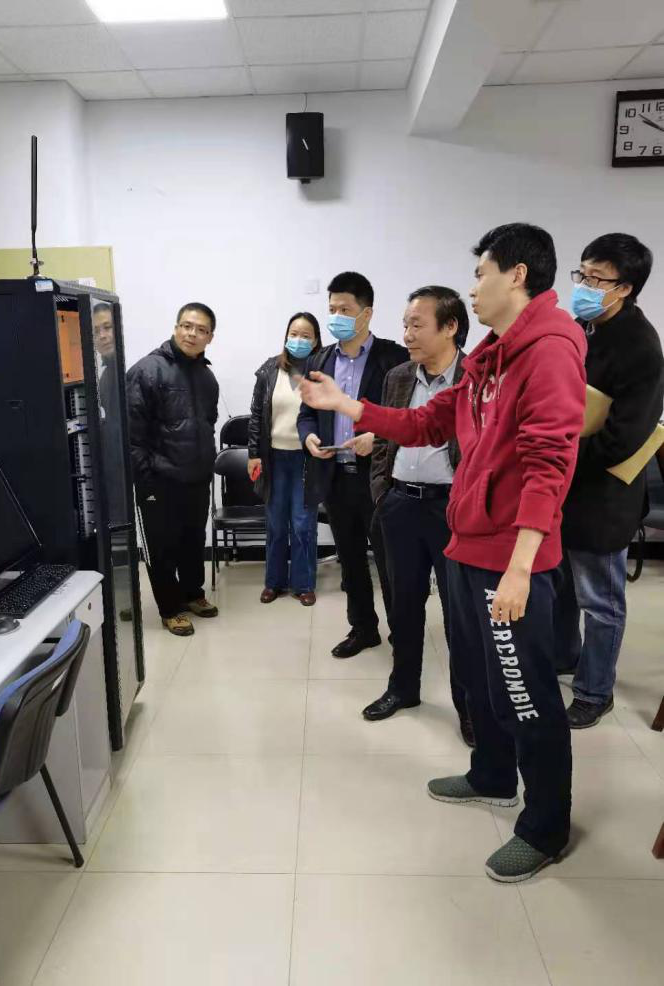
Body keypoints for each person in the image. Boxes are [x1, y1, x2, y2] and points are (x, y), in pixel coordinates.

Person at [300, 224, 586, 884]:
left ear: (516, 274)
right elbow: (427, 422)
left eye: (481, 273)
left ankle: (545, 826)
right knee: (483, 675)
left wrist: (521, 565)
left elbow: (550, 462)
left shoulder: (549, 350)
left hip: (511, 556)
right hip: (470, 544)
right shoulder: (493, 356)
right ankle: (492, 774)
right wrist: (348, 404)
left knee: (525, 691)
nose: (473, 287)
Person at [556, 234, 664, 728]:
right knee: (561, 587)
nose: (584, 285)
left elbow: (624, 438)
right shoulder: (582, 327)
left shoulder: (641, 347)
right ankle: (565, 658)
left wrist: (559, 452)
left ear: (625, 288)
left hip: (603, 496)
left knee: (600, 601)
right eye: (582, 274)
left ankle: (595, 692)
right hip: (564, 486)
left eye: (596, 279)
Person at [367, 286, 472, 746]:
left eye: (417, 325)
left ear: (450, 327)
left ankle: (469, 707)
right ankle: (403, 688)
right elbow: (383, 437)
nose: (407, 334)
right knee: (403, 606)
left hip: (452, 511)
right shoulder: (398, 376)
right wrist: (381, 492)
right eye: (405, 324)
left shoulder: (475, 377)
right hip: (400, 506)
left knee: (458, 615)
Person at [297, 271, 408, 658]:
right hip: (335, 477)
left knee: (391, 562)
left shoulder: (393, 358)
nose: (336, 316)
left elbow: (410, 417)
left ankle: (402, 633)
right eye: (331, 309)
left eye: (345, 309)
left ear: (366, 313)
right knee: (350, 560)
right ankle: (363, 629)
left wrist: (377, 437)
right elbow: (306, 414)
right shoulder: (319, 359)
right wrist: (308, 437)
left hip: (379, 480)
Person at [126, 302, 220, 637]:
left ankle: (192, 594)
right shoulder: (147, 371)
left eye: (201, 329)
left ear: (210, 337)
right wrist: (146, 477)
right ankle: (170, 608)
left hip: (196, 477)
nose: (192, 334)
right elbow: (131, 434)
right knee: (162, 547)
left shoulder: (206, 376)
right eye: (187, 326)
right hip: (159, 480)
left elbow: (207, 423)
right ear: (176, 328)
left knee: (193, 540)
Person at [248, 313, 322, 606]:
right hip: (273, 459)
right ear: (286, 335)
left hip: (307, 459)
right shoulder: (270, 369)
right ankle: (274, 582)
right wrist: (254, 454)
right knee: (276, 524)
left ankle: (303, 584)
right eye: (294, 333)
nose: (299, 340)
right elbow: (257, 415)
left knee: (303, 525)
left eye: (306, 335)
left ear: (315, 341)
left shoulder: (321, 371)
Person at [92, 301, 127, 525]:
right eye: (96, 331)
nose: (102, 336)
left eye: (107, 327)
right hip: (113, 472)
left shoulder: (127, 373)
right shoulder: (106, 375)